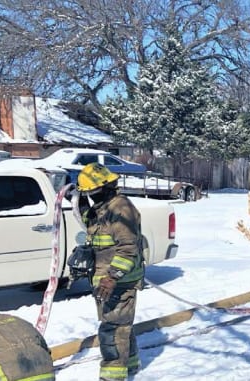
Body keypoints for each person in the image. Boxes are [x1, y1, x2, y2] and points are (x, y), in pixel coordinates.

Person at [76, 163, 144, 381]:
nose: (92, 197)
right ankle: (130, 364)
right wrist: (78, 198)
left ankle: (112, 376)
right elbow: (88, 220)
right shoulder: (103, 208)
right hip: (107, 280)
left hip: (119, 281)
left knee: (112, 330)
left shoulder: (121, 209)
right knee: (121, 326)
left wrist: (112, 276)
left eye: (93, 193)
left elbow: (128, 247)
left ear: (106, 186)